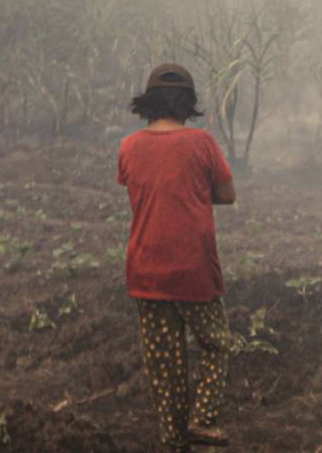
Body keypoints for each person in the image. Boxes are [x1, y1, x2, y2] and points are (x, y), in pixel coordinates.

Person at [117, 63, 236, 452]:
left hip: (146, 268)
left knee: (164, 364)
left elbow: (136, 187)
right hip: (195, 268)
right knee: (215, 343)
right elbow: (227, 194)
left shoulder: (130, 147)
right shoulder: (202, 144)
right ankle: (202, 420)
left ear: (148, 103)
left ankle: (172, 440)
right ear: (188, 104)